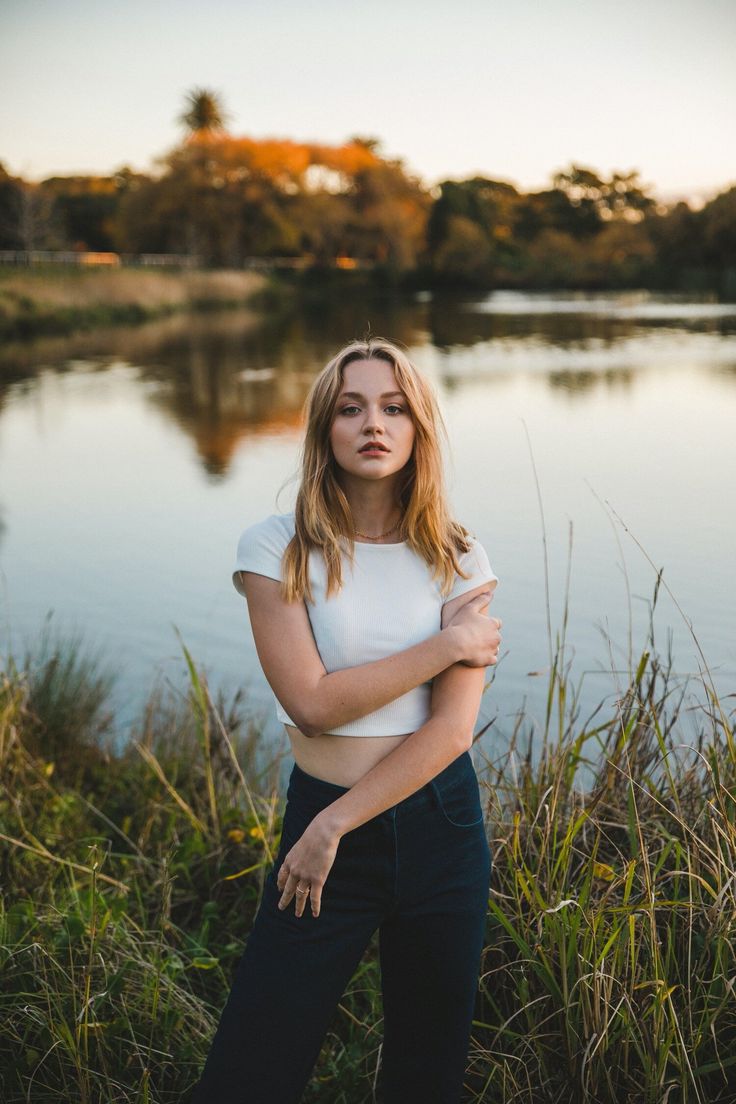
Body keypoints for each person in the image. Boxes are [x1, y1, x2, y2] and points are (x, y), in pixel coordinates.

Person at [191, 337, 502, 1104]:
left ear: (419, 428)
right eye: (351, 408)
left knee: (425, 1075)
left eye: (395, 408)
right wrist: (449, 643)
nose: (374, 423)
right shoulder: (278, 548)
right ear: (324, 429)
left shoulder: (460, 557)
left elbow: (450, 733)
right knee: (251, 1071)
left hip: (440, 829)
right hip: (320, 816)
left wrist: (337, 826)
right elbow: (312, 703)